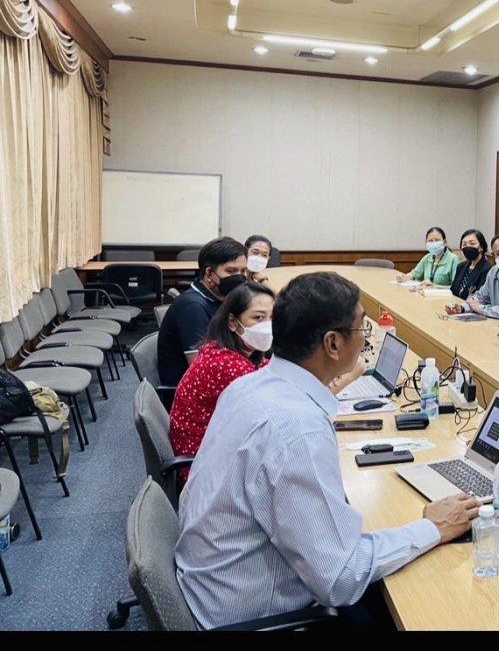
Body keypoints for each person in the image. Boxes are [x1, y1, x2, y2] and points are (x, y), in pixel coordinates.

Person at [175, 271, 479, 629]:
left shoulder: (249, 386)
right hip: (255, 616)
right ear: (333, 344)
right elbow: (341, 578)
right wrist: (432, 527)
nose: (365, 338)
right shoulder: (297, 428)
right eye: (361, 328)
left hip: (211, 587)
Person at [169, 282, 275, 484]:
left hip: (218, 449)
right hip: (205, 470)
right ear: (233, 322)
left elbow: (267, 370)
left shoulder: (225, 347)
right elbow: (274, 407)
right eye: (258, 318)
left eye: (272, 318)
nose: (267, 326)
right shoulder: (226, 365)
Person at [158, 237, 248, 387]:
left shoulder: (220, 298)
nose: (239, 277)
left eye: (243, 271)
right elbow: (201, 371)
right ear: (209, 274)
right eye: (231, 271)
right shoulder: (193, 307)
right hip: (189, 392)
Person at [449, 229, 490, 301]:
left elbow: (479, 298)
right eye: (464, 244)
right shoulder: (461, 266)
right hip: (454, 304)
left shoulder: (487, 269)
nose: (467, 247)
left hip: (471, 307)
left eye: (472, 243)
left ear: (481, 247)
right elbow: (453, 290)